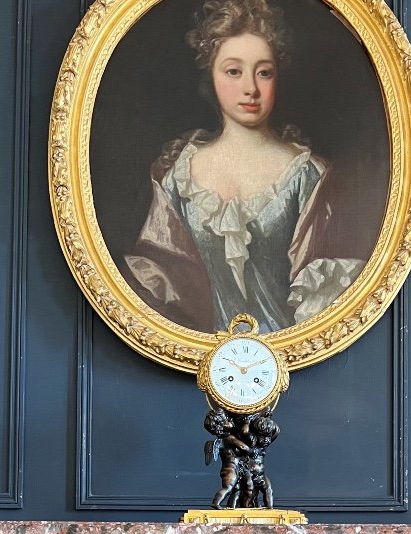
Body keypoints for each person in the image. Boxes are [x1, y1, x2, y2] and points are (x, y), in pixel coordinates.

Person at [125, 0, 367, 333]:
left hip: (292, 354)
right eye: (234, 71)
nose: (250, 88)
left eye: (264, 72)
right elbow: (160, 276)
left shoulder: (307, 173)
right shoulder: (180, 174)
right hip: (195, 357)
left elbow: (323, 289)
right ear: (211, 74)